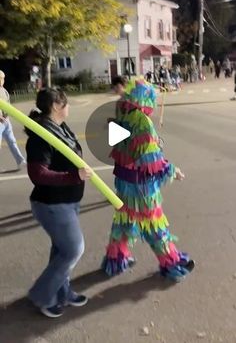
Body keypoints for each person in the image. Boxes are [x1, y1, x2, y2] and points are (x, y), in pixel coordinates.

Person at [102, 78, 195, 281]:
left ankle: (115, 258)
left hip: (125, 183)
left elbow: (124, 148)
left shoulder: (121, 115)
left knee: (124, 221)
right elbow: (149, 160)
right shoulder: (142, 121)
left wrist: (153, 141)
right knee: (154, 224)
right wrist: (172, 171)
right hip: (142, 186)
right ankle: (171, 263)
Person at [25, 87, 92, 318]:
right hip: (52, 204)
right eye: (66, 103)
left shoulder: (59, 127)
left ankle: (62, 292)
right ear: (56, 106)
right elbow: (38, 173)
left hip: (68, 201)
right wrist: (74, 177)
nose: (69, 107)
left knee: (61, 250)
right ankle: (42, 295)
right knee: (74, 249)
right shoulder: (41, 134)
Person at [0, 70, 26, 170]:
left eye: (3, 78)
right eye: (0, 78)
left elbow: (8, 105)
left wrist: (9, 115)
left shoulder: (4, 91)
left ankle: (20, 161)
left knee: (12, 141)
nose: (2, 80)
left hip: (6, 121)